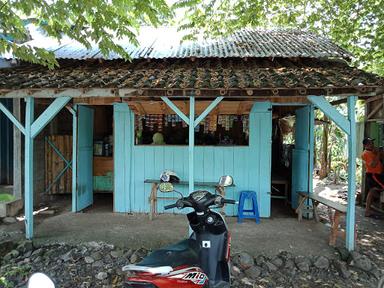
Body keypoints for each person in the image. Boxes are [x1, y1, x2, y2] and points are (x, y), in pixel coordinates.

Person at [361, 137, 384, 217]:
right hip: (373, 174)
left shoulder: (372, 152)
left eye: (372, 143)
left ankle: (367, 210)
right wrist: (378, 153)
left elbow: (380, 159)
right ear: (366, 145)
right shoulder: (366, 153)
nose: (372, 144)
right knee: (375, 190)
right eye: (370, 143)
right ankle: (368, 210)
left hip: (377, 174)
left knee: (372, 192)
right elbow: (373, 165)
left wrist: (380, 152)